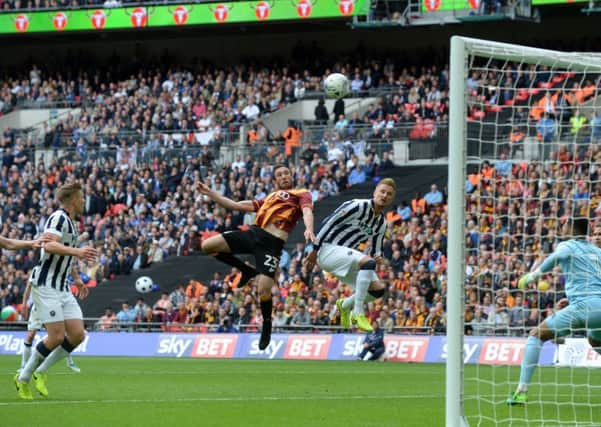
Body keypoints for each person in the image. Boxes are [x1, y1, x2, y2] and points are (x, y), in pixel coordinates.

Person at [198, 164, 315, 350]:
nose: (284, 176)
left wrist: (309, 229)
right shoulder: (268, 198)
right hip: (253, 234)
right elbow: (235, 205)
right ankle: (245, 269)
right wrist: (210, 193)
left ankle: (267, 324)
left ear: (291, 176)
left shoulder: (301, 193)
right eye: (279, 174)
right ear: (275, 180)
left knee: (264, 291)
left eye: (286, 173)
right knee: (207, 246)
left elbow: (307, 211)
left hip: (272, 244)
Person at [15, 182, 98, 400]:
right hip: (46, 286)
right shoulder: (58, 218)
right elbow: (48, 246)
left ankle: (40, 372)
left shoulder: (72, 223)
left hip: (63, 287)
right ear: (73, 200)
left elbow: (66, 256)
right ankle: (23, 377)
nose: (83, 201)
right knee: (56, 336)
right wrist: (78, 250)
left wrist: (78, 279)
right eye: (81, 198)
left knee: (78, 335)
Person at [507, 218, 601, 405]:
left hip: (584, 307)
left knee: (536, 335)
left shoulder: (568, 245)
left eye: (564, 225)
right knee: (595, 339)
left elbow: (555, 258)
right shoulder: (597, 251)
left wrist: (532, 275)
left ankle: (521, 391)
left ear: (572, 229)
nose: (561, 228)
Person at [305, 178, 396, 332]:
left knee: (378, 289)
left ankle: (344, 305)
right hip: (328, 249)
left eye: (389, 194)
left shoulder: (381, 223)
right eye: (382, 191)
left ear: (391, 198)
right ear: (375, 192)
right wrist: (314, 250)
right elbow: (329, 222)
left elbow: (375, 251)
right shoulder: (357, 205)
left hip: (345, 258)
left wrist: (379, 257)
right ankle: (358, 312)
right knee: (367, 263)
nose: (384, 195)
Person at [18, 270, 80, 375]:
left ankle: (70, 362)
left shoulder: (59, 272)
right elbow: (28, 288)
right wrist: (24, 304)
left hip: (52, 306)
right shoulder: (37, 270)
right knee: (30, 335)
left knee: (60, 335)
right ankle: (23, 366)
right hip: (38, 307)